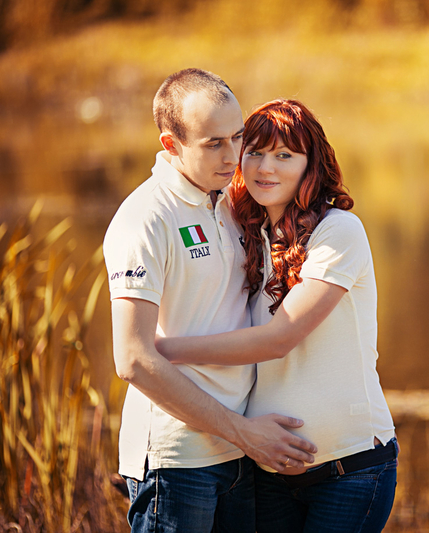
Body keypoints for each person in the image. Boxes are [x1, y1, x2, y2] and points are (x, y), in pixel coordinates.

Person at [155, 99, 398, 532]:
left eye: (284, 155)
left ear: (311, 165)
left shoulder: (338, 231)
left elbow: (279, 338)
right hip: (269, 476)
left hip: (350, 470)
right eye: (255, 152)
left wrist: (160, 351)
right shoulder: (247, 237)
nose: (265, 168)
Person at [103, 70, 316, 533]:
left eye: (238, 137)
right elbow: (133, 359)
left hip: (238, 456)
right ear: (172, 144)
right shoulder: (145, 219)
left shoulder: (230, 203)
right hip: (177, 462)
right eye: (213, 143)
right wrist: (245, 433)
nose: (232, 155)